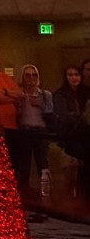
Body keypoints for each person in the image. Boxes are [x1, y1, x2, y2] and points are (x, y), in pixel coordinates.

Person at [14, 64, 54, 189]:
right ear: (23, 77)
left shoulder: (45, 95)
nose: (31, 77)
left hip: (40, 132)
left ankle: (46, 192)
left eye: (34, 75)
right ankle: (25, 194)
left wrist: (39, 105)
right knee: (24, 165)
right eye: (28, 75)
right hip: (24, 132)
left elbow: (51, 111)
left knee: (43, 165)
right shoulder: (18, 95)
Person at [52, 65, 84, 198]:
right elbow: (64, 116)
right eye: (70, 75)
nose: (74, 78)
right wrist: (79, 118)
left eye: (76, 74)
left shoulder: (82, 93)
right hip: (68, 140)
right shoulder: (61, 95)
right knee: (69, 177)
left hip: (81, 139)